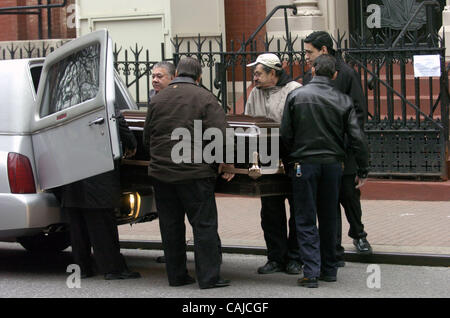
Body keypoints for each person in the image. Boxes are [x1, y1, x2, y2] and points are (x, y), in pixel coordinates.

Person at [143, 57, 234, 289]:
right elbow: (219, 136)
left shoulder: (158, 99)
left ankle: (177, 276)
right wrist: (225, 163)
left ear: (176, 74)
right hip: (195, 173)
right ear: (199, 77)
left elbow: (147, 137)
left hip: (162, 173)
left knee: (171, 226)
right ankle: (209, 278)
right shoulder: (206, 98)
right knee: (203, 225)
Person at [280, 54, 369, 288]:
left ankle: (311, 271)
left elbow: (286, 135)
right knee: (329, 217)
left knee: (305, 217)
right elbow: (357, 137)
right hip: (333, 164)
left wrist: (291, 159)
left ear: (312, 70)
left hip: (304, 163)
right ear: (335, 74)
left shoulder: (296, 95)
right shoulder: (343, 100)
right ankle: (329, 269)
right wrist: (363, 167)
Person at [303, 31, 373, 264]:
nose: (306, 57)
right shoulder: (309, 77)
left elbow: (359, 113)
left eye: (309, 52)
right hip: (322, 150)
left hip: (344, 148)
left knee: (348, 195)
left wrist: (349, 147)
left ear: (323, 50)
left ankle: (359, 235)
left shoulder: (347, 74)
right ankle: (333, 248)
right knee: (328, 201)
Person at [60, 113, 141, 280]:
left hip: (70, 168)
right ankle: (112, 268)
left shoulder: (64, 96)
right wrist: (131, 144)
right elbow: (117, 120)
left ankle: (82, 267)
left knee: (77, 225)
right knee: (102, 224)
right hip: (98, 168)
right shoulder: (101, 93)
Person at [245, 53, 303, 275]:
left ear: (273, 73)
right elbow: (248, 125)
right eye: (254, 73)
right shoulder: (254, 94)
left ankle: (295, 258)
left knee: (298, 209)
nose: (255, 77)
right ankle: (275, 257)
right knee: (270, 210)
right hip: (267, 158)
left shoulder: (294, 90)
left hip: (292, 157)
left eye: (259, 73)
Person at [147, 61, 176, 265]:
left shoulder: (179, 97)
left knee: (199, 217)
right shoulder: (153, 98)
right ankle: (173, 253)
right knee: (169, 217)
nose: (155, 80)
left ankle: (212, 254)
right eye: (153, 76)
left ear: (173, 78)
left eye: (160, 76)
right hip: (164, 165)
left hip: (186, 164)